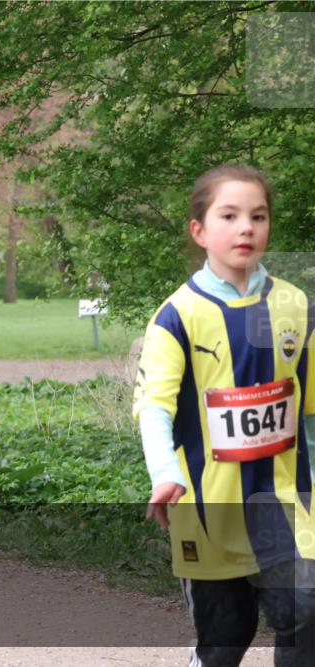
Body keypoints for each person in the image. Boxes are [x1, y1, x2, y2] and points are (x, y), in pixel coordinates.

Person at [133, 164, 315, 666]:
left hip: (285, 504)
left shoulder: (297, 306)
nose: (246, 227)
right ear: (200, 230)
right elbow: (153, 408)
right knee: (225, 640)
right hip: (208, 508)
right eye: (229, 215)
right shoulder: (176, 316)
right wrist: (166, 473)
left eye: (258, 216)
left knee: (306, 610)